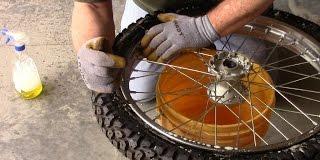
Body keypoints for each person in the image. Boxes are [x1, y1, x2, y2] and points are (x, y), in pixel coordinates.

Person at [72, 0, 274, 97]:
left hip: (229, 8)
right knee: (134, 89)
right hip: (153, 10)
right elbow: (92, 4)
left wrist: (204, 28)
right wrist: (89, 50)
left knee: (245, 88)